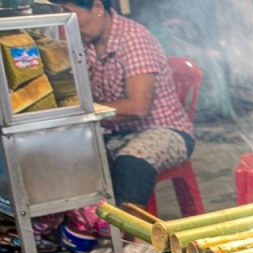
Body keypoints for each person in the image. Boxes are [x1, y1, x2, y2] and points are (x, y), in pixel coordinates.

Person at [57, 0, 194, 208]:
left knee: (131, 163)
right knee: (71, 160)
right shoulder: (85, 44)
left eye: (71, 15)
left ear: (97, 7)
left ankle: (132, 238)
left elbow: (138, 107)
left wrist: (86, 111)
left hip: (164, 131)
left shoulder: (133, 39)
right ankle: (90, 231)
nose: (68, 24)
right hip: (116, 132)